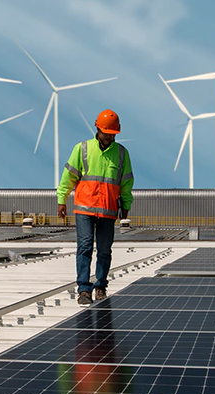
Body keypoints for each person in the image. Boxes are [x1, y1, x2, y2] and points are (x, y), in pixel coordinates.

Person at [57, 109, 134, 305]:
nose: (109, 136)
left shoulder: (122, 154)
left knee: (104, 250)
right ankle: (83, 289)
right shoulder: (82, 149)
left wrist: (126, 205)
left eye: (112, 134)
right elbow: (69, 177)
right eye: (106, 132)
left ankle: (100, 286)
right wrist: (61, 199)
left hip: (108, 211)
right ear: (97, 128)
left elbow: (126, 183)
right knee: (84, 248)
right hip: (84, 209)